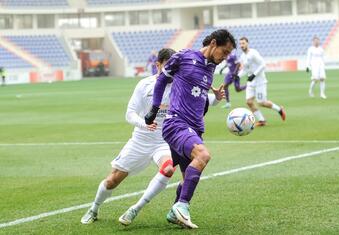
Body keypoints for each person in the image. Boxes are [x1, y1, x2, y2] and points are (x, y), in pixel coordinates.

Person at [144, 29, 234, 229]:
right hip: (176, 123)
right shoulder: (184, 56)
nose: (225, 57)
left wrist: (211, 101)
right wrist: (155, 107)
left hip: (194, 127)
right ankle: (182, 206)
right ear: (213, 43)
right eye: (225, 52)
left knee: (187, 179)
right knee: (203, 156)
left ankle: (174, 211)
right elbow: (161, 80)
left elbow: (198, 98)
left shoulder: (210, 68)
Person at [81, 48, 177, 225]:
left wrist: (216, 98)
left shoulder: (180, 86)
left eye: (174, 65)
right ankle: (94, 208)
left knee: (169, 169)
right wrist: (144, 123)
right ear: (158, 65)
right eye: (167, 65)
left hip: (163, 142)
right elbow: (130, 114)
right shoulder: (145, 84)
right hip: (140, 141)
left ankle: (135, 208)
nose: (172, 69)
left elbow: (202, 100)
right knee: (112, 180)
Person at [238, 37, 286, 126]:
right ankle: (262, 120)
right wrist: (237, 76)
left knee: (262, 102)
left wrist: (254, 74)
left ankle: (279, 109)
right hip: (251, 82)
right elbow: (245, 69)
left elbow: (263, 64)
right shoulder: (242, 56)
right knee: (249, 102)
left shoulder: (253, 53)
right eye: (240, 44)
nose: (241, 45)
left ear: (247, 43)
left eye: (243, 43)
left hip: (260, 81)